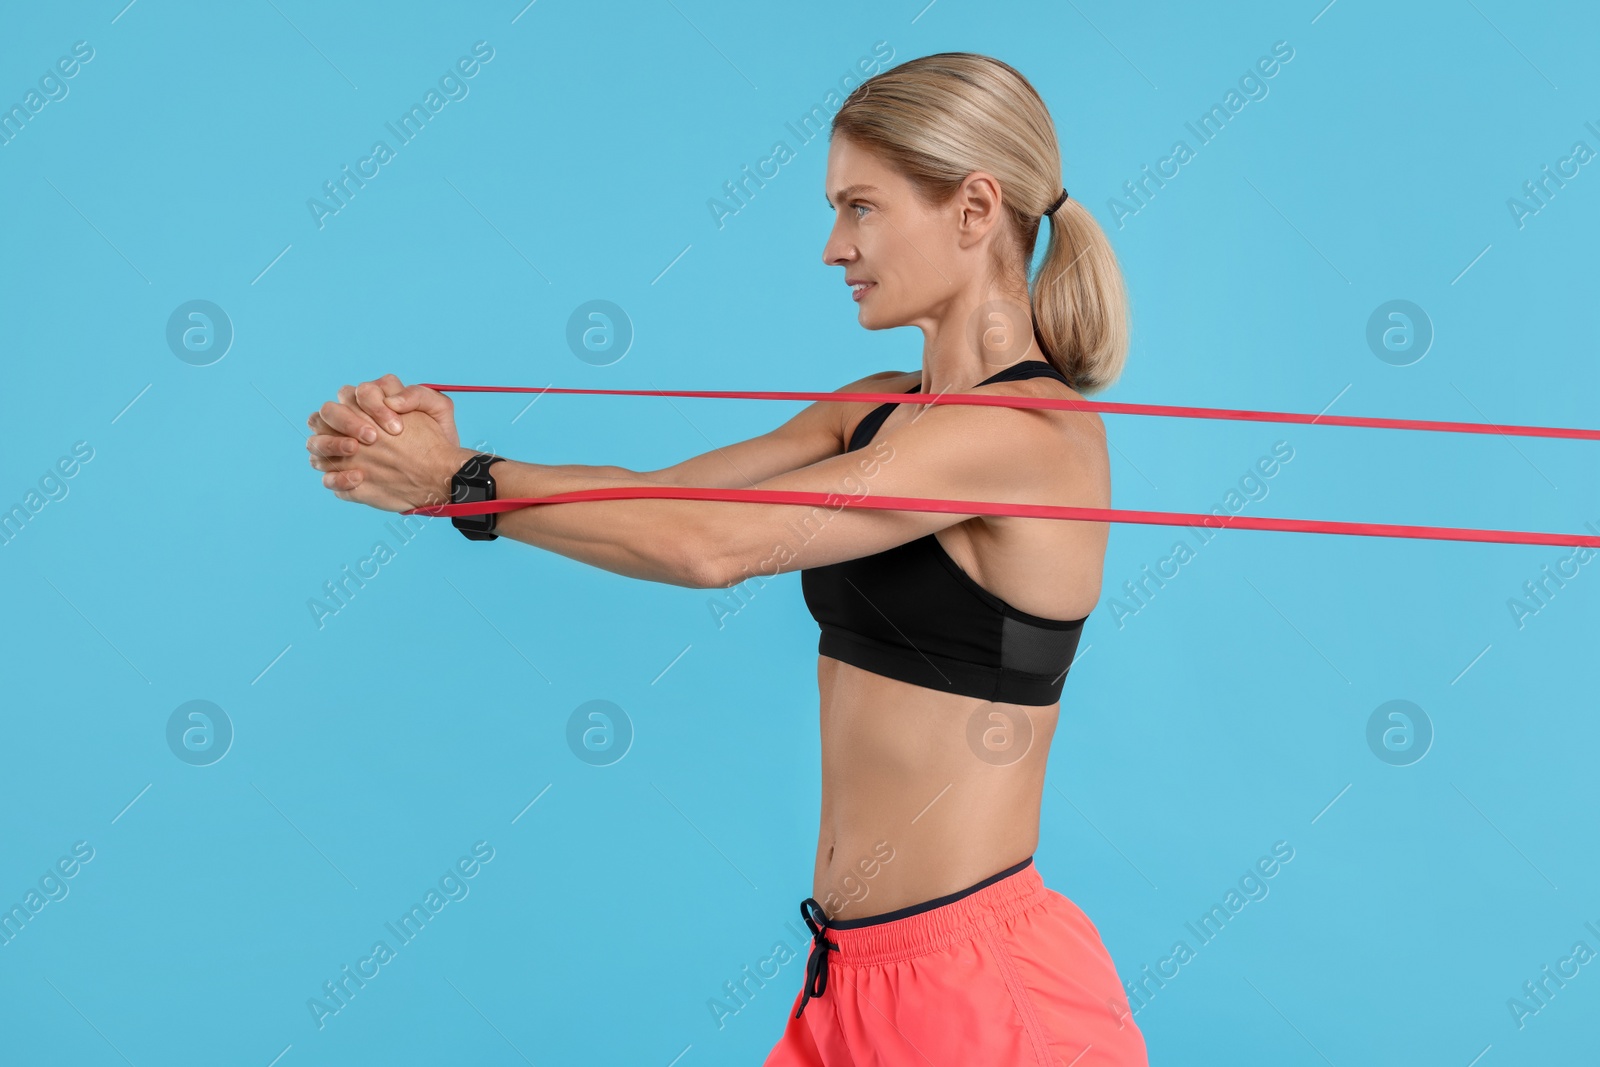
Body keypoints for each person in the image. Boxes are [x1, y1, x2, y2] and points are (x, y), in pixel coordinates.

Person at [306, 51, 1147, 1067]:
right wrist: (445, 469)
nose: (834, 246)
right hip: (848, 976)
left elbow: (713, 548)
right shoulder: (871, 406)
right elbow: (665, 499)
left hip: (978, 993)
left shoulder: (1026, 435)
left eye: (861, 207)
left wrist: (463, 479)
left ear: (974, 207)